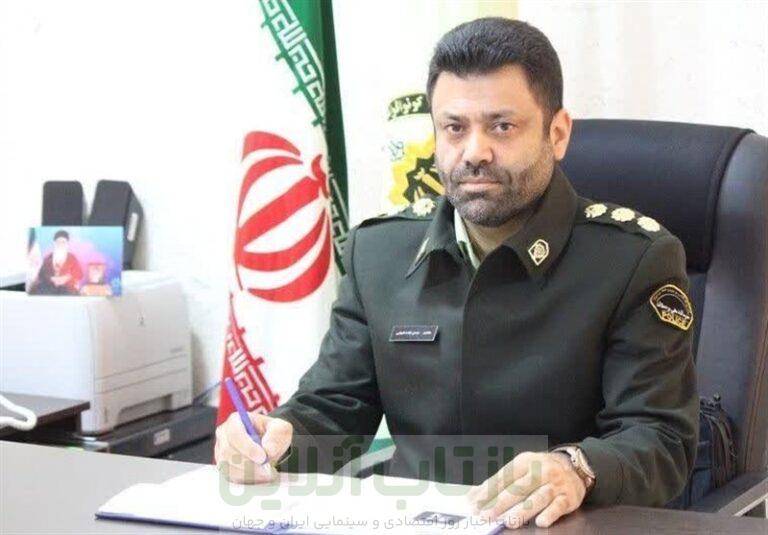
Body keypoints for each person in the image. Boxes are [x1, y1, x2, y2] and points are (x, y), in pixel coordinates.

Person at [215, 17, 698, 529]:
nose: (474, 152)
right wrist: (278, 440)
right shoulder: (379, 253)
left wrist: (577, 468)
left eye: (502, 126)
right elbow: (336, 408)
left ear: (557, 134)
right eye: (455, 128)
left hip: (561, 525)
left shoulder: (632, 259)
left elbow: (660, 439)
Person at [34, 230, 83, 295]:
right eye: (58, 242)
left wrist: (66, 278)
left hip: (67, 287)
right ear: (54, 243)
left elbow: (79, 274)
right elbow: (41, 274)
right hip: (49, 286)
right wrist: (51, 279)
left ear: (67, 244)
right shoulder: (48, 258)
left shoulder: (72, 257)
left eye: (63, 242)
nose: (60, 244)